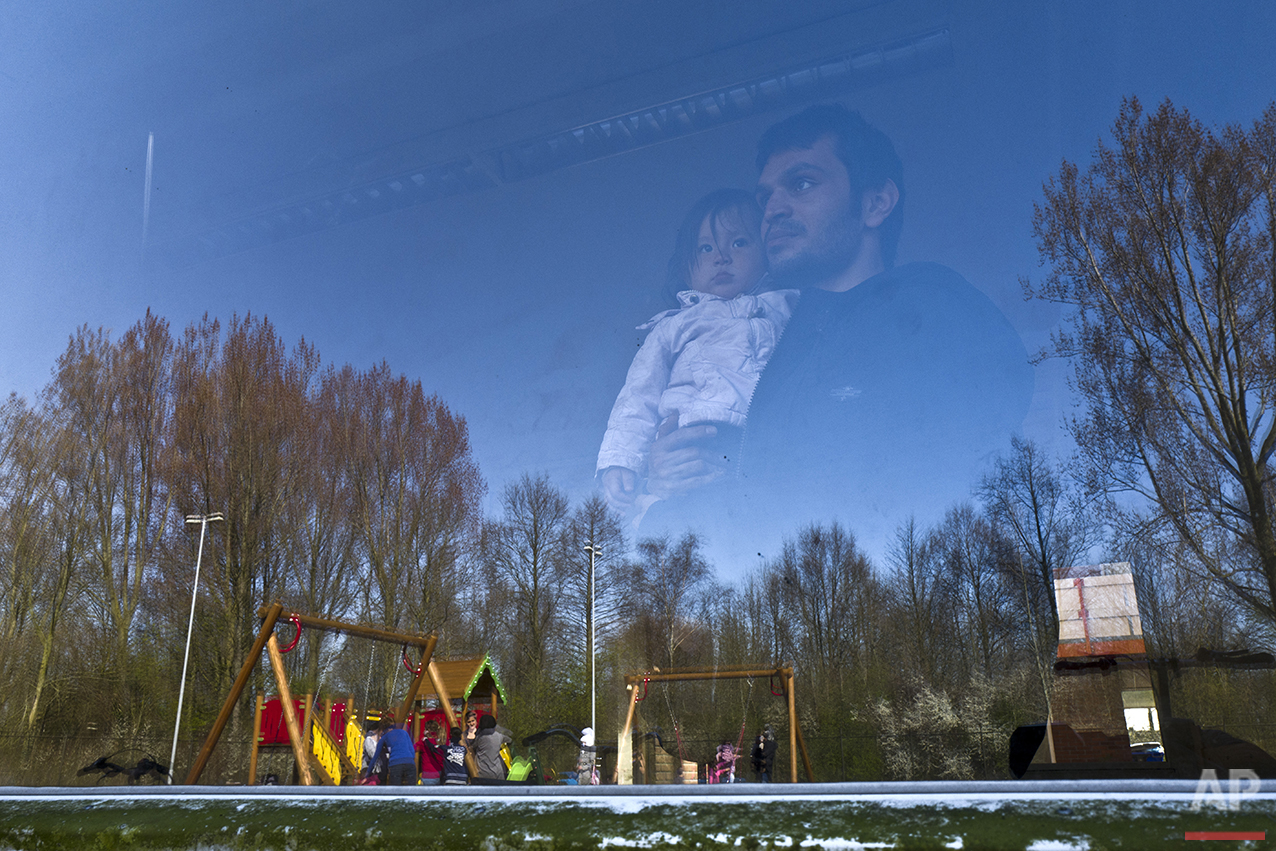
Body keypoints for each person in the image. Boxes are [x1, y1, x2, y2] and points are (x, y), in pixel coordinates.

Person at [646, 105, 1033, 545]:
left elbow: (950, 506)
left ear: (874, 203)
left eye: (802, 183)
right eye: (764, 197)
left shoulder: (929, 313)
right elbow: (767, 501)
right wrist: (678, 474)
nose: (772, 209)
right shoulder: (773, 340)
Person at [596, 188, 797, 523]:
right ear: (687, 270)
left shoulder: (788, 305)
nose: (721, 257)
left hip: (764, 441)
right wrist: (619, 460)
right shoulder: (676, 325)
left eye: (739, 243)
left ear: (767, 251)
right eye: (705, 248)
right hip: (692, 440)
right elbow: (637, 397)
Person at [370, 719, 418, 786]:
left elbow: (375, 756)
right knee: (411, 788)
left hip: (395, 763)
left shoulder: (384, 737)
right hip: (409, 762)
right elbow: (412, 750)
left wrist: (368, 773)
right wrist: (410, 760)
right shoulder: (404, 732)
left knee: (395, 789)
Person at [471, 714, 513, 781]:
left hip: (483, 773)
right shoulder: (499, 736)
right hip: (498, 773)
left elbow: (471, 747)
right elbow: (510, 739)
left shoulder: (480, 738)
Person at [417, 720, 445, 784]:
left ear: (426, 730)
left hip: (427, 773)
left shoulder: (423, 742)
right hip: (439, 773)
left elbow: (413, 748)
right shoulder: (440, 741)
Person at [361, 719, 386, 785]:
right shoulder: (369, 739)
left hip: (379, 768)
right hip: (370, 768)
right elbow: (372, 753)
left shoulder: (381, 740)